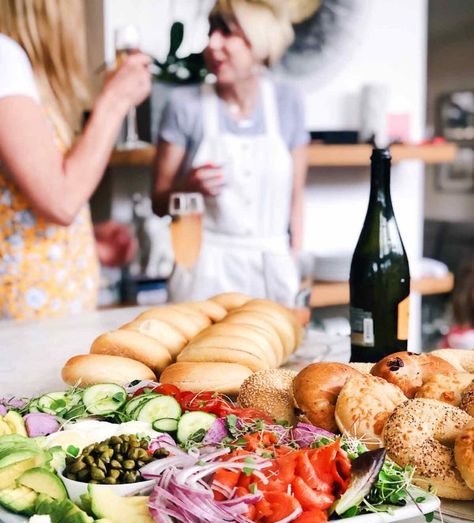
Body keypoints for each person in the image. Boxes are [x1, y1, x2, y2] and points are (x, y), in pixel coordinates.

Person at [0, 0, 151, 320]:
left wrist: (85, 240)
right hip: (27, 326)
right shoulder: (3, 56)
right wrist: (115, 100)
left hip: (39, 318)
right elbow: (61, 201)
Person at [152, 0, 308, 306]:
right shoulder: (185, 107)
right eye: (211, 30)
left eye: (227, 32)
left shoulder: (288, 103)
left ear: (260, 42)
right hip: (204, 275)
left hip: (273, 272)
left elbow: (296, 197)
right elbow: (159, 201)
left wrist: (294, 260)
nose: (212, 44)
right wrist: (187, 187)